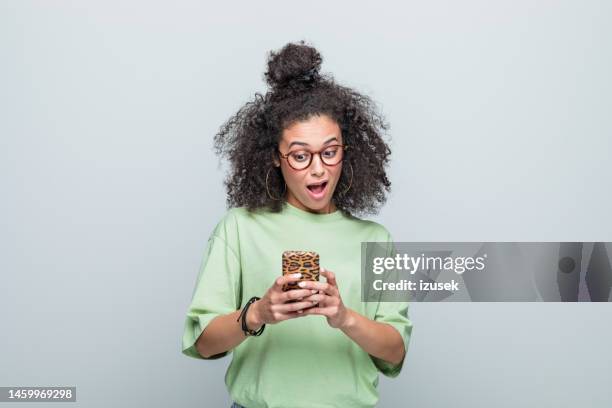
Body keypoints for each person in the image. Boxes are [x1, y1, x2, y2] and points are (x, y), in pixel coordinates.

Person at [181, 40, 413, 408]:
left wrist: (344, 317)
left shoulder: (376, 240)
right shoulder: (239, 228)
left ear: (346, 151)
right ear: (275, 157)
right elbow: (204, 343)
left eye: (330, 151)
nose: (318, 168)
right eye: (300, 156)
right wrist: (259, 312)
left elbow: (395, 353)